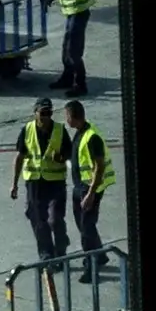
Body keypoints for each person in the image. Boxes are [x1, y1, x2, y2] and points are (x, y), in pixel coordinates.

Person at [10, 99, 70, 262]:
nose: (46, 117)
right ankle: (46, 255)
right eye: (43, 113)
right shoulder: (27, 130)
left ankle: (61, 249)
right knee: (38, 220)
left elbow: (69, 153)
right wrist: (14, 184)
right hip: (35, 183)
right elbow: (20, 157)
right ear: (35, 113)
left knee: (54, 219)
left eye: (49, 113)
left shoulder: (60, 130)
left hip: (55, 182)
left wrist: (60, 157)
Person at [65, 100, 112, 268]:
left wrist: (91, 194)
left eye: (67, 116)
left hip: (89, 188)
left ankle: (90, 262)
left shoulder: (91, 137)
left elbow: (99, 166)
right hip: (80, 186)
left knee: (86, 226)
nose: (66, 120)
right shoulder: (80, 132)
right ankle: (99, 255)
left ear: (72, 116)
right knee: (84, 224)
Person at [46, 0, 94, 95]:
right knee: (66, 49)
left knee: (73, 52)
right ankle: (67, 79)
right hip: (72, 14)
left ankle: (80, 85)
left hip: (79, 14)